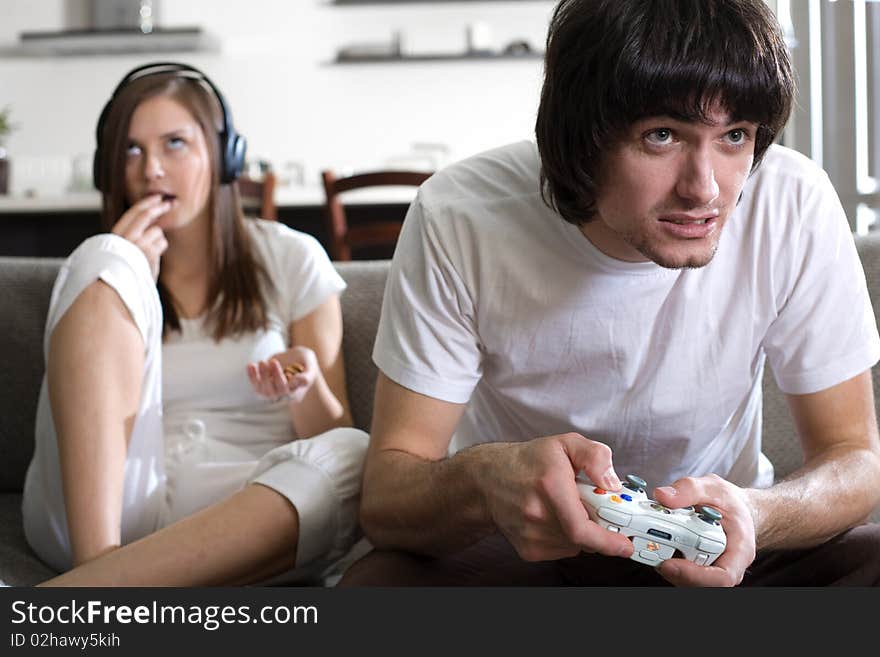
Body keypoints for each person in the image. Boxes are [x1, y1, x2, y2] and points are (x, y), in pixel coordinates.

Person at [339, 0, 880, 587]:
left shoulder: (793, 201)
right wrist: (484, 480)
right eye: (662, 135)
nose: (705, 190)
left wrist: (755, 514)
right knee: (376, 584)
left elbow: (854, 458)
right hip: (527, 548)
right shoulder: (459, 214)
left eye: (734, 136)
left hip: (723, 545)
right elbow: (387, 499)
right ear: (581, 139)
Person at [22, 62, 369, 586]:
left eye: (175, 144)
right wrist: (131, 276)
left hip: (233, 507)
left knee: (355, 454)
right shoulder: (110, 273)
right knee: (103, 255)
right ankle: (98, 572)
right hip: (111, 503)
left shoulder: (293, 257)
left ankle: (89, 598)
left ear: (224, 157)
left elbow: (331, 434)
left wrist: (305, 384)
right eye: (132, 150)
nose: (151, 170)